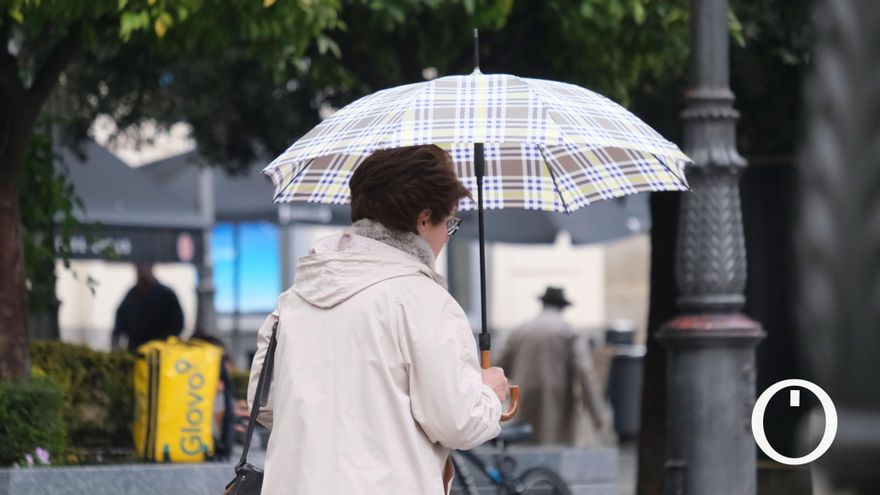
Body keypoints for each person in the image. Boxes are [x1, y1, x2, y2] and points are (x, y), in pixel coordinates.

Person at [248, 145, 508, 494]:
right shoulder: (424, 302)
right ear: (423, 219)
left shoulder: (295, 298)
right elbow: (457, 423)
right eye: (450, 223)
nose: (447, 236)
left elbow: (261, 403)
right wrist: (488, 393)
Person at [498, 286, 611, 446]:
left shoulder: (521, 329)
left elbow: (500, 366)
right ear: (562, 307)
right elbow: (585, 372)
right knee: (554, 448)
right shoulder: (568, 331)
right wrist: (597, 416)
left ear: (543, 304)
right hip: (556, 399)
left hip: (523, 395)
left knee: (525, 444)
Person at [112, 263, 184, 352]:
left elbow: (177, 324)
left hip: (162, 352)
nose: (142, 270)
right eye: (139, 267)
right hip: (136, 351)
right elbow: (119, 323)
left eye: (145, 265)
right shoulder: (131, 296)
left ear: (151, 268)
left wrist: (164, 342)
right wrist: (115, 348)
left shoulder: (167, 294)